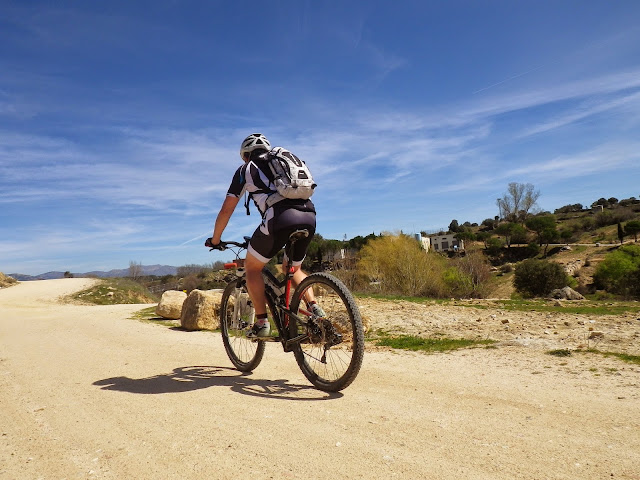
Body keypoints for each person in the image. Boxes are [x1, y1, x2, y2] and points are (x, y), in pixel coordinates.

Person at [206, 133, 323, 338]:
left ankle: (261, 323)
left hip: (279, 218)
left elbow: (226, 210)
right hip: (309, 216)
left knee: (252, 268)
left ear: (245, 155)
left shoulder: (246, 169)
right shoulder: (283, 162)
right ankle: (315, 309)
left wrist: (215, 240)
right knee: (292, 267)